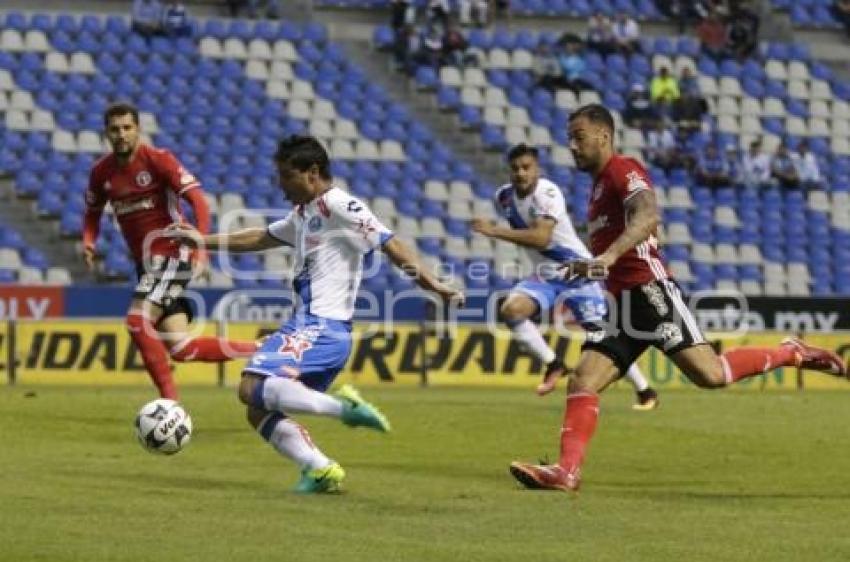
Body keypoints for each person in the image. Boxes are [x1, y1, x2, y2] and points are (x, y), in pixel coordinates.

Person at [509, 104, 846, 492]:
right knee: (583, 378)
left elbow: (648, 215)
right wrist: (596, 264)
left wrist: (609, 257)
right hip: (620, 303)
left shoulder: (624, 169)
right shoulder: (598, 188)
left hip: (650, 292)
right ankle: (566, 472)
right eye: (570, 138)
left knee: (711, 375)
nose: (572, 146)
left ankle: (792, 352)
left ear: (603, 135)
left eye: (579, 137)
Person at [170, 135, 463, 493]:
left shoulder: (340, 205)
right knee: (258, 410)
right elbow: (259, 238)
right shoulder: (304, 214)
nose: (281, 188)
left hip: (320, 326)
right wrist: (201, 240)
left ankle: (343, 408)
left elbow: (391, 244)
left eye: (285, 177)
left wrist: (434, 285)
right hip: (315, 328)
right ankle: (321, 469)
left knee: (251, 386)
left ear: (312, 173)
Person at [82, 103, 259, 400]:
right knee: (181, 348)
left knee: (137, 321)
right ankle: (263, 349)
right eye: (115, 129)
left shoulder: (158, 160)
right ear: (106, 133)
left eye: (127, 127)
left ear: (138, 129)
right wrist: (89, 241)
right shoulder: (101, 173)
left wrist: (201, 247)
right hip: (146, 264)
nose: (121, 134)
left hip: (174, 252)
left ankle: (170, 404)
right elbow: (92, 212)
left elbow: (198, 201)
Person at [471, 143, 658, 410]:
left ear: (537, 169)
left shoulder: (548, 193)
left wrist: (494, 231)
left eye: (527, 167)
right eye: (515, 169)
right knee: (511, 310)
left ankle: (645, 391)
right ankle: (554, 364)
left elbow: (541, 237)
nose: (521, 173)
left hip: (576, 271)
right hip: (546, 275)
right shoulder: (503, 197)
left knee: (602, 338)